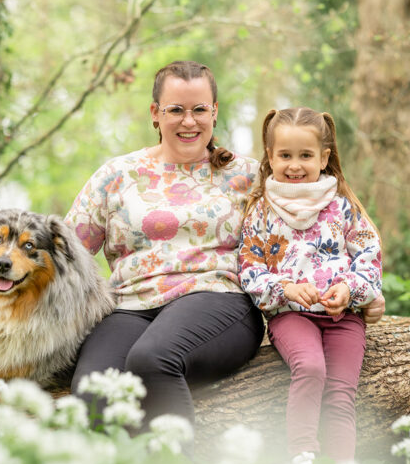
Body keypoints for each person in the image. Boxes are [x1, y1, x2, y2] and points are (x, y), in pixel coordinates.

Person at [65, 61, 386, 435]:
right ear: (155, 113)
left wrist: (362, 292)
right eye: (176, 110)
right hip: (130, 306)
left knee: (152, 360)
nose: (189, 121)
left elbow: (319, 228)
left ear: (214, 112)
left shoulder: (249, 175)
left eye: (200, 109)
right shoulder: (116, 176)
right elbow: (68, 254)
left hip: (217, 300)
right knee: (91, 391)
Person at [238, 107, 382, 464]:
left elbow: (368, 253)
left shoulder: (342, 207)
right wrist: (284, 288)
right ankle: (302, 458)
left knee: (340, 393)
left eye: (305, 155)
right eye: (285, 155)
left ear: (324, 157)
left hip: (342, 318)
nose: (295, 165)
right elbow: (250, 269)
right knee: (311, 367)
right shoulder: (261, 211)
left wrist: (351, 289)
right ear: (270, 157)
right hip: (291, 316)